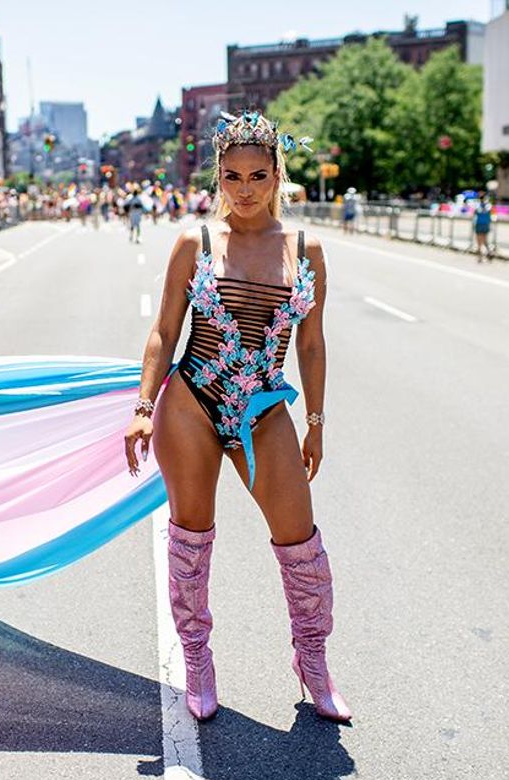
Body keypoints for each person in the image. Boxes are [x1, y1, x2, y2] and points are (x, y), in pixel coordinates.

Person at [124, 110, 351, 724]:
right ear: (217, 178)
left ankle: (313, 662)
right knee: (192, 540)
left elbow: (310, 343)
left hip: (265, 409)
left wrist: (317, 422)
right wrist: (145, 407)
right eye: (232, 176)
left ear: (278, 173)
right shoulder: (194, 242)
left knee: (300, 542)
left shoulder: (307, 249)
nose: (244, 189)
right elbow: (164, 330)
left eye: (257, 175)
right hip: (193, 403)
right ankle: (196, 660)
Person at [473, 191, 494, 262]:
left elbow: (475, 214)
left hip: (479, 223)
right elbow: (491, 214)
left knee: (479, 241)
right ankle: (488, 252)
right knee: (485, 240)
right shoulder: (488, 205)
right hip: (486, 224)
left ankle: (480, 257)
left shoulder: (477, 205)